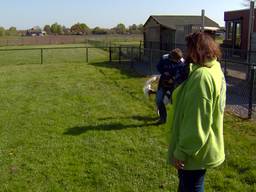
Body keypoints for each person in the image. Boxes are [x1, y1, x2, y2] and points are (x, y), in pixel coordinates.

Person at [167, 32, 226, 192]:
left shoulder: (202, 76)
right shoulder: (215, 67)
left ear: (197, 50)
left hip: (194, 151)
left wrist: (182, 151)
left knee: (191, 186)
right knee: (189, 185)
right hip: (203, 147)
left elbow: (197, 121)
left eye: (190, 48)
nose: (187, 53)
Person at [156, 48, 187, 124]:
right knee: (159, 100)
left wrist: (174, 78)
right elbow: (158, 67)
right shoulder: (164, 58)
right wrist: (164, 72)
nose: (177, 61)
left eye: (178, 60)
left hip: (174, 85)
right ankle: (163, 118)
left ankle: (176, 118)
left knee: (175, 102)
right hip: (163, 83)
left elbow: (183, 74)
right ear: (171, 57)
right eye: (175, 60)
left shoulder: (182, 62)